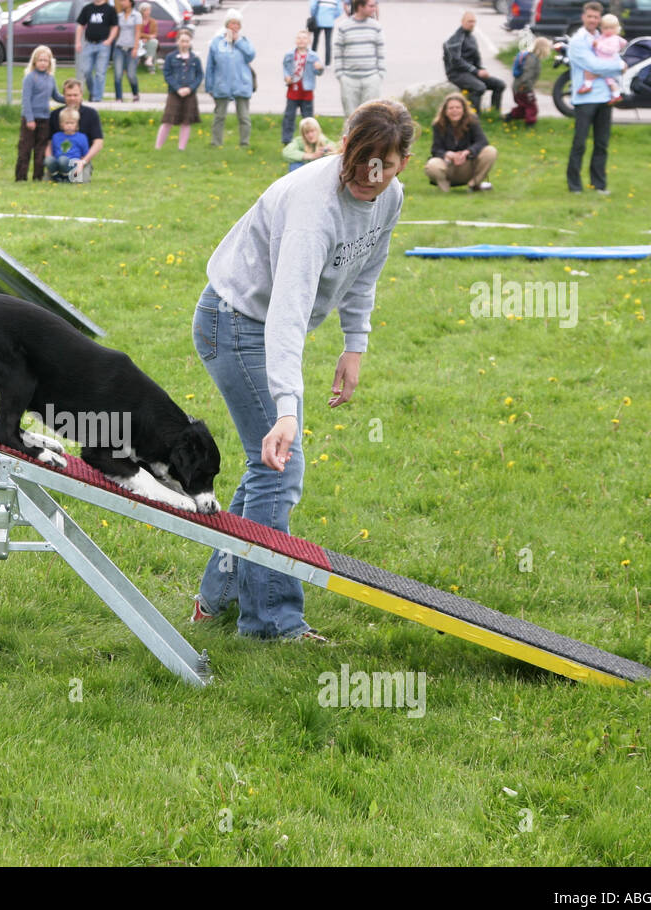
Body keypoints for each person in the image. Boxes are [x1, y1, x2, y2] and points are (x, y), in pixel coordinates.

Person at [190, 100, 414, 642]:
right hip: (236, 322)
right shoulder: (315, 208)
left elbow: (366, 270)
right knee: (279, 467)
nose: (369, 177)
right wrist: (286, 410)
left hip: (264, 324)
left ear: (403, 161)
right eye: (359, 163)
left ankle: (213, 599)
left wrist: (354, 345)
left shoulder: (390, 196)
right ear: (343, 147)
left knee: (263, 469)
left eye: (383, 166)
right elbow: (286, 314)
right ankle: (271, 622)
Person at [567, 1, 621, 195]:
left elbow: (615, 57)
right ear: (583, 17)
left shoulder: (604, 37)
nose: (593, 20)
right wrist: (619, 67)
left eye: (596, 17)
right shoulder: (577, 41)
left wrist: (617, 64)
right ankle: (574, 185)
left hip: (605, 97)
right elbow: (595, 66)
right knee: (580, 143)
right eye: (589, 16)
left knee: (602, 143)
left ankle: (599, 184)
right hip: (585, 99)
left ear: (600, 19)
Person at [424, 92, 496, 192]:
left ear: (463, 109)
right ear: (445, 111)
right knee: (432, 165)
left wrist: (468, 152)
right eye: (451, 108)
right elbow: (436, 149)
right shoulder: (438, 124)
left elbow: (482, 141)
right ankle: (444, 188)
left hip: (468, 163)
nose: (454, 111)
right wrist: (448, 154)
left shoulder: (472, 121)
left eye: (458, 107)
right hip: (448, 164)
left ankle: (474, 185)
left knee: (490, 151)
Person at [205, 10, 255, 148]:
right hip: (222, 85)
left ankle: (244, 143)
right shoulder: (217, 42)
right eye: (232, 23)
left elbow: (251, 55)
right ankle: (216, 143)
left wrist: (237, 41)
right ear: (227, 24)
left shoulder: (244, 41)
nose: (234, 26)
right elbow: (210, 66)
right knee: (219, 117)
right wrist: (209, 86)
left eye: (237, 24)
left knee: (244, 117)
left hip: (241, 85)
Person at [442, 10, 505, 115]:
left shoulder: (471, 38)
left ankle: (494, 114)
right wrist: (476, 71)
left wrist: (481, 69)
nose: (472, 24)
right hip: (456, 73)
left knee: (499, 85)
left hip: (471, 72)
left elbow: (476, 58)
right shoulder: (455, 39)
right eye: (469, 21)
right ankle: (474, 117)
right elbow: (456, 61)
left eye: (474, 22)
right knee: (479, 87)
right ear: (462, 22)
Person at [17, 45, 64, 180]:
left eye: (45, 60)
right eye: (40, 60)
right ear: (34, 61)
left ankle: (38, 176)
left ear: (50, 62)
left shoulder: (50, 78)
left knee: (41, 149)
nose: (43, 63)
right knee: (25, 149)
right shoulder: (30, 78)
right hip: (30, 119)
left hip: (45, 118)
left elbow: (55, 95)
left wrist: (68, 99)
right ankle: (21, 177)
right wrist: (29, 119)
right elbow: (26, 100)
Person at [334, 0, 384, 117]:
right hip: (349, 80)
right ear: (360, 6)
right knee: (351, 118)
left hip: (371, 79)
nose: (374, 8)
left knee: (371, 117)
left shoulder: (376, 26)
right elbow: (338, 51)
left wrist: (379, 74)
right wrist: (340, 75)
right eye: (371, 6)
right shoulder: (344, 26)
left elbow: (381, 51)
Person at [156, 27, 202, 150]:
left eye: (187, 41)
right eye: (182, 41)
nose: (185, 44)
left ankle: (181, 148)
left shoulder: (195, 58)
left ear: (190, 42)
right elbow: (167, 74)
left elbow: (199, 75)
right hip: (174, 93)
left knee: (186, 121)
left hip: (189, 93)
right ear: (177, 42)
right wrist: (177, 88)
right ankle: (158, 147)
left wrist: (190, 88)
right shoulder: (171, 57)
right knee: (168, 120)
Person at [50, 79, 105, 175]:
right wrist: (51, 161)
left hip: (81, 159)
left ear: (81, 95)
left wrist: (84, 161)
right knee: (52, 180)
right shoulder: (55, 115)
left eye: (75, 95)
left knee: (78, 180)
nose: (72, 98)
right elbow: (48, 142)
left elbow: (98, 142)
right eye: (69, 95)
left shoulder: (91, 114)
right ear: (64, 96)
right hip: (59, 160)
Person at [282, 29, 323, 145]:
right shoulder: (289, 55)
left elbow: (319, 72)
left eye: (304, 38)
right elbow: (285, 67)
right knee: (289, 116)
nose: (301, 41)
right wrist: (286, 77)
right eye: (299, 38)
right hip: (293, 90)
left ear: (309, 41)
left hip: (306, 91)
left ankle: (311, 139)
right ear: (295, 40)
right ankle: (287, 140)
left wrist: (319, 68)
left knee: (308, 117)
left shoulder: (313, 56)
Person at [76, 0, 119, 103]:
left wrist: (109, 40)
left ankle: (97, 98)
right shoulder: (87, 8)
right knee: (86, 71)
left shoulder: (110, 9)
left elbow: (115, 26)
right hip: (89, 44)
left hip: (103, 45)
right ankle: (93, 92)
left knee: (100, 73)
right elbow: (81, 25)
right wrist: (78, 42)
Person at [504, 35, 550, 125]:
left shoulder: (532, 57)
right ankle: (530, 124)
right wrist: (527, 87)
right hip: (523, 87)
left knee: (524, 106)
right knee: (532, 107)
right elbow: (527, 74)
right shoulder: (532, 59)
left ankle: (509, 117)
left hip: (520, 86)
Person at [577, 13, 626, 98]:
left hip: (608, 61)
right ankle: (616, 95)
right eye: (605, 28)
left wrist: (598, 45)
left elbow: (611, 50)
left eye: (611, 28)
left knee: (589, 71)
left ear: (616, 29)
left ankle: (588, 85)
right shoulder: (603, 37)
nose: (608, 30)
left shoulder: (614, 39)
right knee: (609, 81)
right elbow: (597, 41)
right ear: (601, 28)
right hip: (602, 60)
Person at [45, 108, 90, 181]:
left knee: (63, 159)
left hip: (73, 164)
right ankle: (56, 177)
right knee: (48, 160)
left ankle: (67, 177)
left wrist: (80, 164)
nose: (69, 125)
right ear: (61, 124)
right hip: (58, 163)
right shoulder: (56, 136)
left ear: (76, 124)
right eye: (67, 123)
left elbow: (84, 153)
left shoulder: (81, 137)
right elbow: (53, 151)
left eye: (72, 123)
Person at [112, 0, 142, 102]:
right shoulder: (119, 16)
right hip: (119, 47)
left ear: (130, 2)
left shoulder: (136, 15)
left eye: (124, 1)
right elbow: (117, 31)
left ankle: (135, 93)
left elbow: (138, 32)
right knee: (118, 74)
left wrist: (135, 48)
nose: (121, 3)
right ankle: (119, 97)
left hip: (131, 48)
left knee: (131, 74)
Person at [310, 0, 339, 66]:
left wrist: (314, 15)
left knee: (315, 41)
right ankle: (327, 63)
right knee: (328, 42)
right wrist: (331, 16)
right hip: (329, 22)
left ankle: (311, 59)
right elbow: (339, 10)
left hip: (318, 20)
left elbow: (312, 6)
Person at [139, 4, 159, 73]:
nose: (148, 12)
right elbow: (137, 33)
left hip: (148, 41)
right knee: (152, 45)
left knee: (154, 42)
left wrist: (147, 39)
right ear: (142, 11)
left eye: (149, 10)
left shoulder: (153, 21)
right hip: (138, 40)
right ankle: (151, 67)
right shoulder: (138, 20)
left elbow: (155, 34)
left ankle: (149, 61)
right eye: (146, 10)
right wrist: (147, 37)